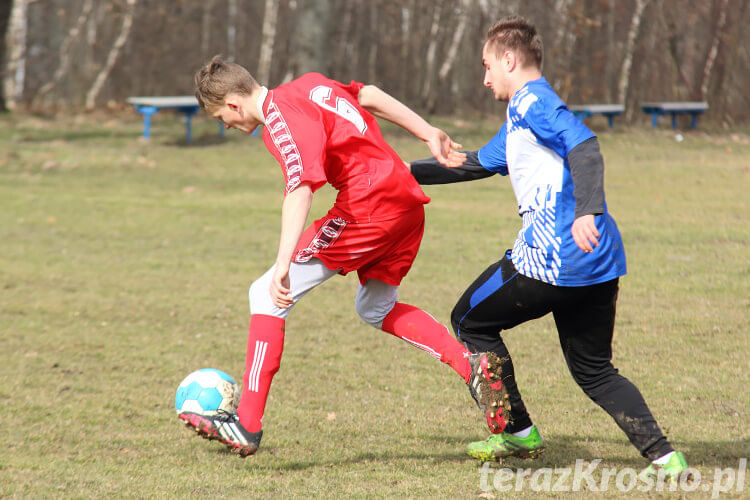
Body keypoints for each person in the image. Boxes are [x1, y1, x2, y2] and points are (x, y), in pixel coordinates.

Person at [178, 57, 508, 457]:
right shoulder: (309, 84)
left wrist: (284, 262)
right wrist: (426, 132)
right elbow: (367, 94)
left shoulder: (278, 118)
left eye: (220, 117)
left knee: (264, 295)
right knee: (375, 306)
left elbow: (301, 186)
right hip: (405, 202)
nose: (225, 126)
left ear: (233, 104)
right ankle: (470, 363)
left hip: (369, 204)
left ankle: (246, 425)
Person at [409, 17, 689, 480]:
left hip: (551, 261)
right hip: (599, 264)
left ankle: (517, 431)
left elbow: (586, 146)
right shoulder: (522, 115)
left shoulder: (535, 102)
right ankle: (665, 458)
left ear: (509, 59)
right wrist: (402, 171)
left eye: (486, 65)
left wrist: (586, 210)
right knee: (595, 371)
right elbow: (476, 163)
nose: (484, 78)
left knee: (467, 320)